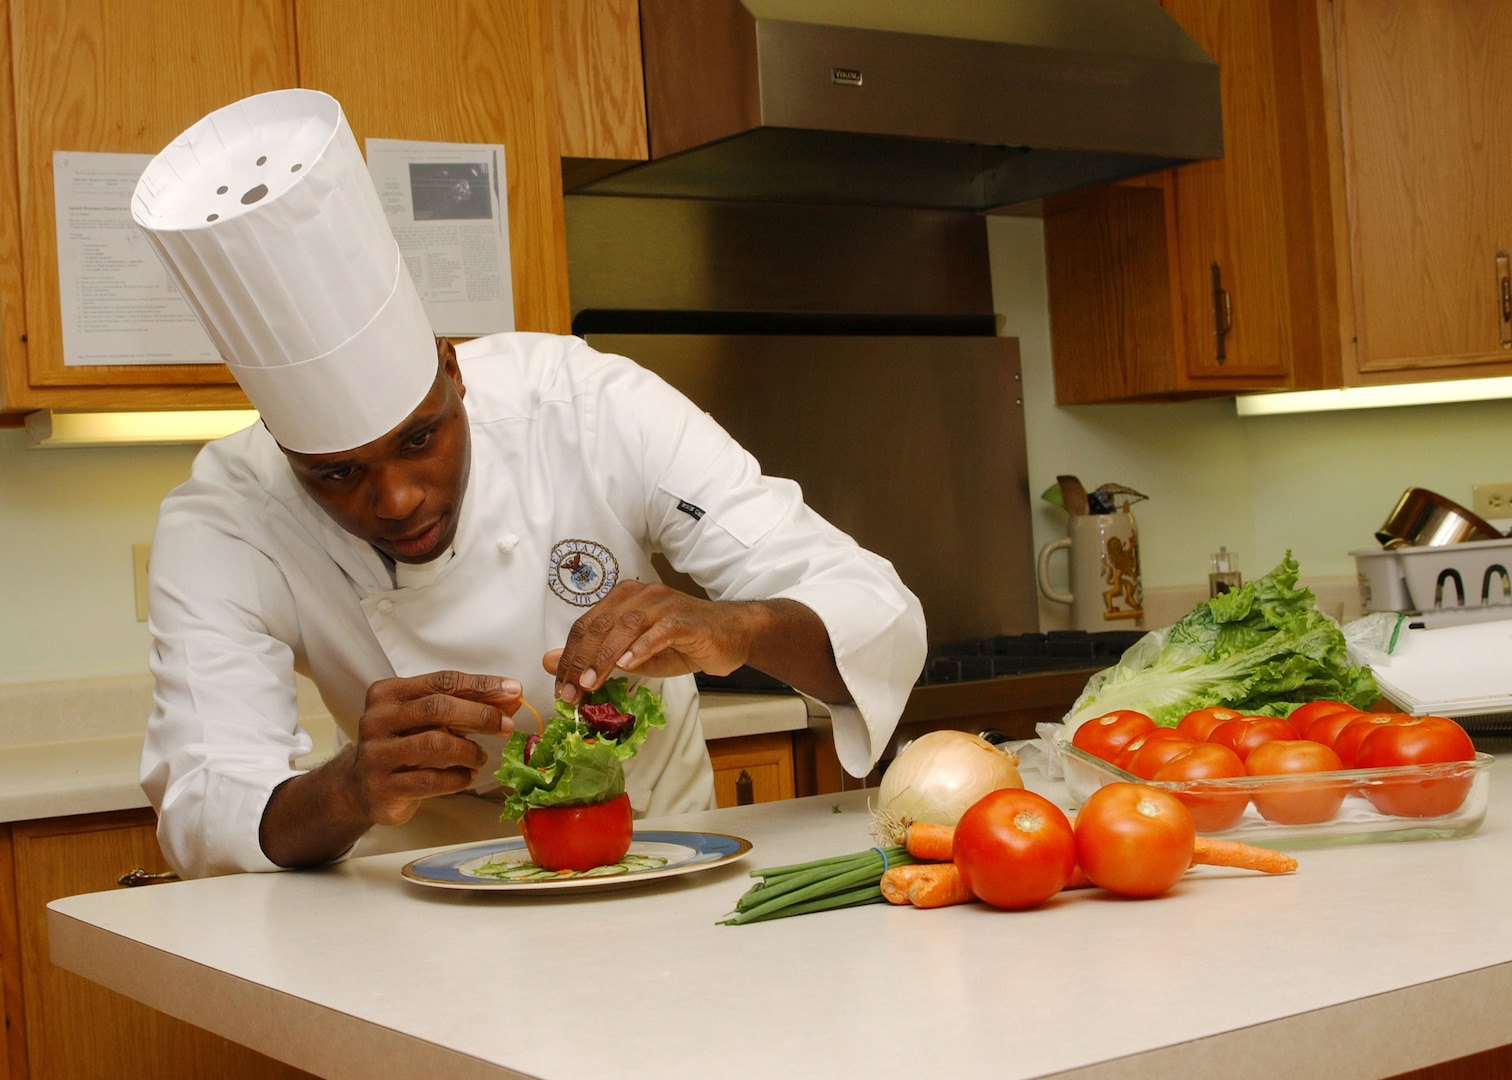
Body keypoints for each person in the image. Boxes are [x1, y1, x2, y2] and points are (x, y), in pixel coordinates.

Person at [132, 89, 926, 878]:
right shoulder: (226, 520)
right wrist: (347, 788)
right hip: (417, 873)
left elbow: (876, 614)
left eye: (420, 438)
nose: (398, 498)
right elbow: (205, 803)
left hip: (660, 835)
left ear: (453, 370)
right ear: (279, 442)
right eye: (337, 473)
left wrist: (739, 628)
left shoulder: (586, 405)